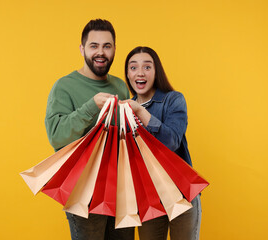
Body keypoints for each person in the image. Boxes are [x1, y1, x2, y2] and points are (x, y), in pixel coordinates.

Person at [45, 19, 134, 240]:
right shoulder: (64, 86)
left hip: (121, 192)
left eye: (107, 46)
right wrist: (90, 107)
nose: (100, 52)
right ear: (82, 49)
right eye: (94, 46)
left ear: (114, 50)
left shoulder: (120, 86)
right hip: (84, 193)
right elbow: (57, 135)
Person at [121, 46, 202, 240]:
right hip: (149, 198)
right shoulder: (124, 110)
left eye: (147, 67)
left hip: (181, 192)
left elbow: (172, 141)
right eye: (133, 67)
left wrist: (140, 112)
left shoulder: (173, 100)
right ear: (128, 74)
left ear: (156, 71)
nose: (140, 72)